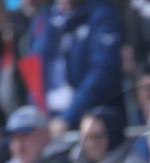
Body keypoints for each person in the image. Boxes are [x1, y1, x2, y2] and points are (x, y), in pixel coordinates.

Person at [31, 0, 123, 135]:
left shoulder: (101, 14)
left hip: (87, 121)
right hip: (48, 118)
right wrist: (39, 118)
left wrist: (68, 117)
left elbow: (103, 71)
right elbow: (33, 69)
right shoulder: (43, 18)